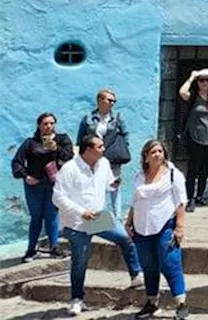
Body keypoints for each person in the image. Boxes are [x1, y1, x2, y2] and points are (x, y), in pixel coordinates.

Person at [53, 134, 143, 317]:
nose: (104, 149)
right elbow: (58, 197)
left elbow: (108, 184)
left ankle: (136, 275)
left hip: (99, 217)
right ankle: (76, 299)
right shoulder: (69, 169)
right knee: (80, 262)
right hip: (77, 222)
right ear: (88, 150)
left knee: (125, 238)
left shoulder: (103, 164)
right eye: (100, 147)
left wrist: (114, 184)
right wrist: (81, 211)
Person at [125, 140, 190, 319]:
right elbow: (134, 201)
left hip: (165, 225)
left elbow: (181, 202)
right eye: (153, 152)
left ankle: (181, 303)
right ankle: (152, 303)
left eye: (160, 151)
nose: (157, 154)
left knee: (170, 262)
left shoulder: (172, 174)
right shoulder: (139, 176)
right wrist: (128, 222)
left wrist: (179, 227)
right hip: (141, 228)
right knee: (148, 266)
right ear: (145, 156)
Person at [12, 113, 74, 262]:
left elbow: (69, 156)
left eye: (52, 123)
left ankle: (54, 247)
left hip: (55, 184)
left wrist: (56, 149)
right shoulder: (30, 143)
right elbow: (17, 162)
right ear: (39, 125)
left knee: (52, 215)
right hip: (35, 185)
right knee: (36, 217)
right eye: (45, 123)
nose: (49, 126)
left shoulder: (62, 139)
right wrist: (26, 176)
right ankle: (31, 249)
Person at [76, 88, 131, 219]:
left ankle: (117, 220)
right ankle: (96, 218)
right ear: (100, 100)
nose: (112, 103)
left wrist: (120, 149)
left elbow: (126, 134)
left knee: (115, 188)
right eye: (110, 100)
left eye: (114, 101)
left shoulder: (117, 117)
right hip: (93, 159)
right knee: (94, 187)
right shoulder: (88, 118)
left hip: (112, 158)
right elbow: (81, 138)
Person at [178, 69, 208, 211]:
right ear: (197, 82)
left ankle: (200, 196)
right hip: (195, 136)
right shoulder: (193, 97)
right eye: (201, 80)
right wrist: (192, 76)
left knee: (205, 168)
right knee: (193, 168)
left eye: (207, 80)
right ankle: (189, 198)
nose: (205, 83)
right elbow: (182, 92)